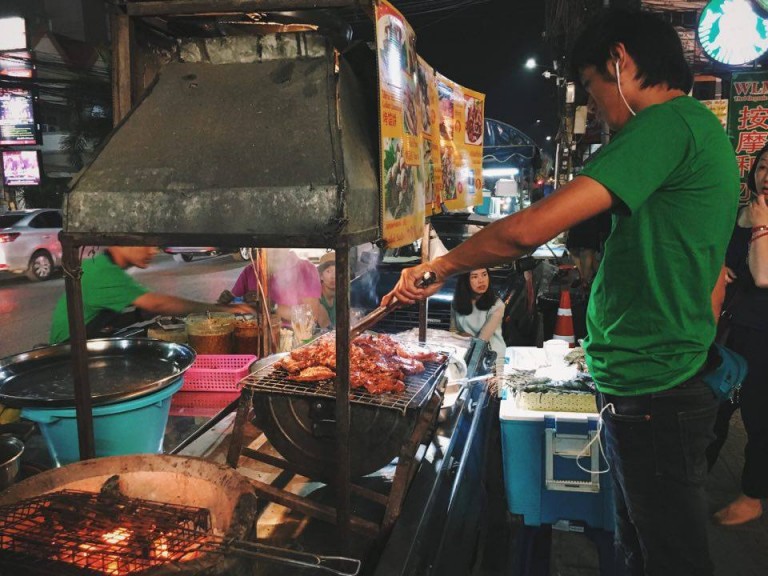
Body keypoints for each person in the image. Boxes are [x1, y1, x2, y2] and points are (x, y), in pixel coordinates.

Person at [383, 9, 739, 576]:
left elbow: (527, 230)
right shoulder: (698, 129)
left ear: (620, 61)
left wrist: (443, 265)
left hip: (656, 389)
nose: (597, 106)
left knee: (668, 556)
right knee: (645, 548)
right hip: (660, 377)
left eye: (595, 88)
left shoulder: (666, 126)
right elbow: (709, 270)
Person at [705, 143, 768, 526]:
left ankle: (753, 495)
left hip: (762, 334)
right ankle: (694, 478)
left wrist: (762, 224)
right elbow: (718, 258)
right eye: (762, 166)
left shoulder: (758, 218)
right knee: (713, 407)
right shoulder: (738, 213)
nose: (766, 174)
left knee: (759, 416)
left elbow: (763, 276)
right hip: (728, 327)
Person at [49, 247, 253, 344]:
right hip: (68, 355)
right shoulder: (103, 271)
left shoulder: (104, 266)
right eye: (144, 243)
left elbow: (96, 318)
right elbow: (158, 304)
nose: (152, 250)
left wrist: (137, 316)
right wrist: (221, 310)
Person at [228, 248, 323, 328]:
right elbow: (231, 307)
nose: (273, 250)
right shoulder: (251, 270)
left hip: (292, 339)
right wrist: (233, 300)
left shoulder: (305, 269)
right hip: (254, 334)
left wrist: (272, 306)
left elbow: (310, 316)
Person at [451, 268, 506, 371]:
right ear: (465, 281)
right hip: (464, 352)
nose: (481, 280)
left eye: (484, 275)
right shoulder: (456, 302)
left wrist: (465, 337)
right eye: (475, 277)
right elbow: (453, 332)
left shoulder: (497, 305)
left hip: (490, 356)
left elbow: (482, 341)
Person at [566, 210, 611, 285]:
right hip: (590, 222)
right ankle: (585, 279)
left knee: (578, 252)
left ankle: (583, 278)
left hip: (578, 222)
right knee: (587, 253)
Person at [316, 251, 336, 329]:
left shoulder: (342, 295)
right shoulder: (316, 300)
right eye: (328, 271)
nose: (333, 276)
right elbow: (328, 332)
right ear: (321, 276)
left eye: (336, 271)